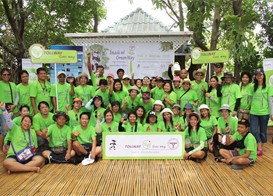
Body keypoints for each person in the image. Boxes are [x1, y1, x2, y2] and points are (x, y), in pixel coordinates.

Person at [1, 102, 44, 173]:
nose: (27, 123)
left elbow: (34, 147)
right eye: (25, 121)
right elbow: (8, 121)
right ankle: (31, 168)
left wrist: (33, 149)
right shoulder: (15, 128)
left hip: (28, 155)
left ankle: (16, 169)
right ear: (21, 122)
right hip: (14, 155)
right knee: (6, 162)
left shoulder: (32, 131)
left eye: (29, 122)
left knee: (40, 159)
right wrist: (3, 109)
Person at [249, 68, 273, 156]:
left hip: (264, 113)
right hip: (253, 112)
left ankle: (260, 147)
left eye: (260, 74)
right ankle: (259, 146)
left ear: (263, 75)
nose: (259, 76)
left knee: (263, 131)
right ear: (255, 76)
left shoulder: (269, 87)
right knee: (253, 130)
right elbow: (250, 99)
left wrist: (272, 113)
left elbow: (270, 101)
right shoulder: (252, 86)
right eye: (257, 75)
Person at [0, 68, 18, 155]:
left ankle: (11, 148)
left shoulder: (13, 84)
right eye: (4, 74)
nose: (6, 76)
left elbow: (17, 96)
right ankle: (0, 149)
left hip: (13, 110)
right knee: (4, 131)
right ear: (1, 75)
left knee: (13, 130)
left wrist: (14, 105)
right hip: (2, 111)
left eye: (8, 74)